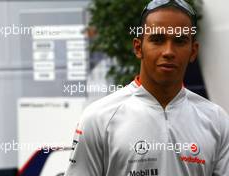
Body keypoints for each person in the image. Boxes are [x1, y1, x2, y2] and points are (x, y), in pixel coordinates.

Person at [64, 0, 229, 175]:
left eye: (180, 41)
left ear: (193, 51)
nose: (168, 51)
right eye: (157, 40)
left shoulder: (216, 120)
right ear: (138, 47)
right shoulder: (98, 118)